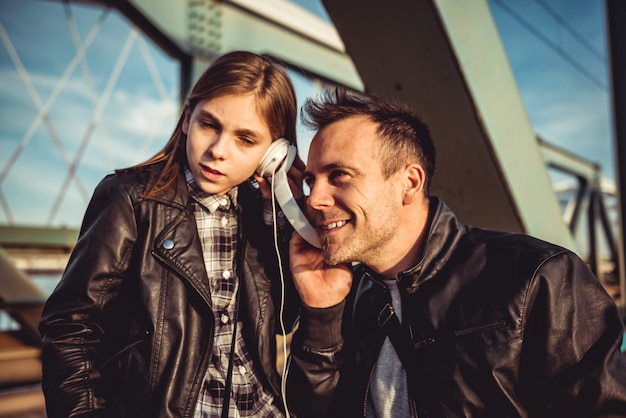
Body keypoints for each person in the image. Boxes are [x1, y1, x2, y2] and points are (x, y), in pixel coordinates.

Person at [286, 88, 626, 417]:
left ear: (410, 182)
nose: (315, 199)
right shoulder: (347, 295)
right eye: (311, 180)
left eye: (339, 175)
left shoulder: (537, 276)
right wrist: (322, 314)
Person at [39, 50, 302, 418]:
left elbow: (285, 322)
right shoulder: (131, 199)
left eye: (245, 139)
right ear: (187, 119)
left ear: (274, 155)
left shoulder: (261, 216)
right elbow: (69, 326)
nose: (218, 151)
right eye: (209, 124)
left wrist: (285, 219)